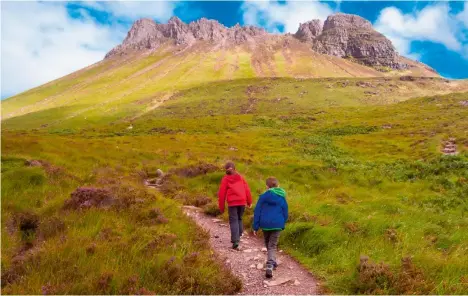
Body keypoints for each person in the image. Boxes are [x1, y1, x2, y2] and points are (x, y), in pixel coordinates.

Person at [253, 177, 288, 279]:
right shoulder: (282, 197)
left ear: (267, 186)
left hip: (265, 224)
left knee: (268, 243)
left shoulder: (263, 197)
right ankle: (271, 263)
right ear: (278, 185)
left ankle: (271, 263)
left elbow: (257, 212)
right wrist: (282, 221)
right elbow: (285, 211)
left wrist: (255, 226)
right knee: (272, 245)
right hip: (277, 224)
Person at [218, 161, 252, 249]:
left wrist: (221, 207)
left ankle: (235, 240)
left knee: (233, 221)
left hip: (232, 203)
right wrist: (249, 201)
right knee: (239, 218)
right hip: (242, 202)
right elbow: (247, 189)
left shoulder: (225, 179)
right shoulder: (240, 177)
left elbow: (221, 194)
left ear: (226, 170)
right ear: (235, 169)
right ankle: (239, 233)